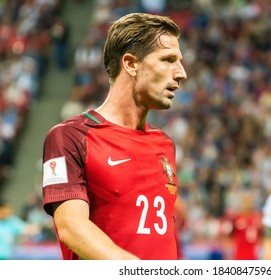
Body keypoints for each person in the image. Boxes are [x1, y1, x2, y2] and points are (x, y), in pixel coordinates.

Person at [41, 13, 187, 260]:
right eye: (168, 59)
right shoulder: (71, 137)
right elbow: (70, 227)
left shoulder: (165, 144)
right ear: (131, 64)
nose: (181, 73)